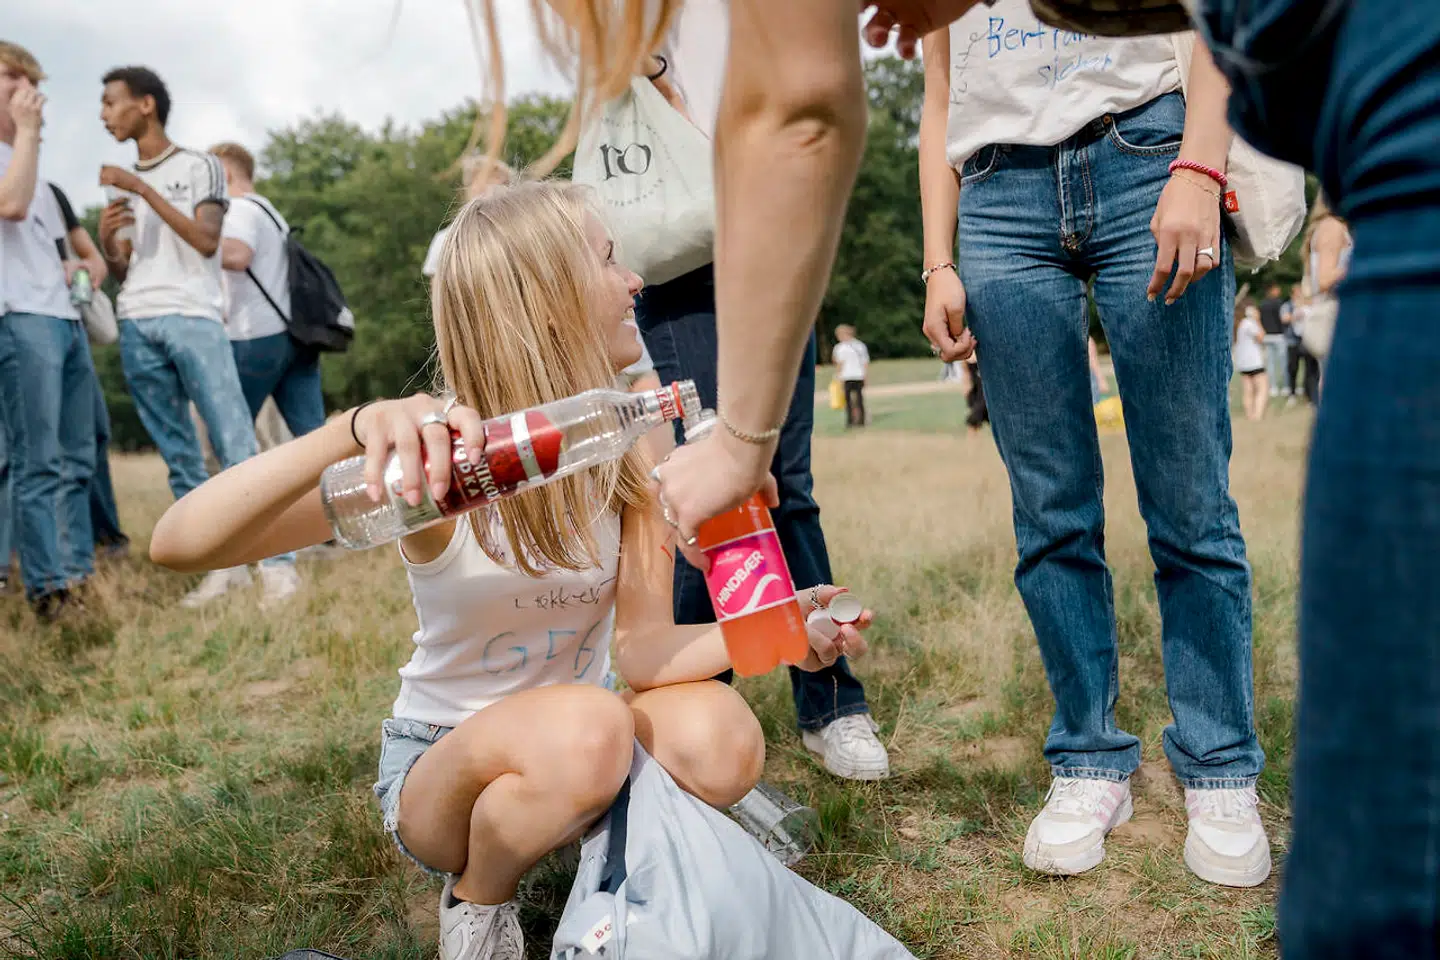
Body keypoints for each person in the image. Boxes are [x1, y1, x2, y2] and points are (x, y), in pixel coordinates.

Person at [148, 181, 875, 960]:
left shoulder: (629, 445)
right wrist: (345, 431)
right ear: (546, 299)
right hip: (446, 774)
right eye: (608, 260)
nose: (635, 281)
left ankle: (604, 851)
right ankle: (478, 898)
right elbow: (180, 542)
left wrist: (777, 624)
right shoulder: (450, 460)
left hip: (582, 745)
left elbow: (643, 650)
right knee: (589, 723)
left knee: (722, 736)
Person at [912, 6, 1267, 887]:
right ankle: (1089, 758)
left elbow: (1217, 21)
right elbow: (939, 96)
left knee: (1190, 499)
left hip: (1146, 154)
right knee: (1049, 510)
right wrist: (935, 260)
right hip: (997, 193)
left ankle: (1220, 763)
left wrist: (1198, 163)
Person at [626, 18, 890, 781]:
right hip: (686, 250)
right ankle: (690, 709)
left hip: (770, 227)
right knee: (705, 499)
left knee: (786, 480)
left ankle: (830, 703)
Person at [96, 66, 295, 608]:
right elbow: (126, 271)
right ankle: (221, 564)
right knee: (181, 459)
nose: (102, 113)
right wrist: (109, 241)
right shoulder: (123, 183)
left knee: (236, 444)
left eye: (111, 102)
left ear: (146, 105)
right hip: (138, 320)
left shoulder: (199, 166)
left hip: (194, 317)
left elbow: (207, 242)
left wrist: (141, 188)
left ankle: (278, 563)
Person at [0, 43, 104, 620]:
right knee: (36, 460)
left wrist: (80, 268)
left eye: (27, 78)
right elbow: (9, 206)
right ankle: (47, 591)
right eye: (8, 77)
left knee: (77, 456)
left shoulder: (35, 168)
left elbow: (66, 246)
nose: (21, 87)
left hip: (63, 320)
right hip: (19, 318)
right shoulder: (19, 161)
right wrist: (29, 131)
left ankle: (77, 570)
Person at [421, 154, 513, 280]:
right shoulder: (446, 240)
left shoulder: (520, 234)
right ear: (469, 189)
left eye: (502, 185)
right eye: (483, 184)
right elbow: (438, 294)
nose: (491, 192)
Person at [1283, 286, 1318, 407]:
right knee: (1292, 369)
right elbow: (1284, 318)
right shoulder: (1287, 306)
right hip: (1293, 342)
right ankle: (1291, 394)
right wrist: (1296, 314)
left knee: (1310, 370)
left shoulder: (1309, 305)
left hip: (1307, 341)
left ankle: (1309, 396)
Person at [1256, 283, 1291, 399]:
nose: (1279, 291)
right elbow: (1283, 319)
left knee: (1270, 364)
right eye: (1277, 289)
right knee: (1283, 363)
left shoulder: (1262, 304)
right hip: (1279, 336)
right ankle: (1286, 387)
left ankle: (1273, 388)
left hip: (1267, 337)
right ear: (1272, 291)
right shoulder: (1279, 303)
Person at [1233, 302, 1267, 421]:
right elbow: (1261, 337)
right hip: (1254, 361)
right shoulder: (1249, 323)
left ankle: (1249, 415)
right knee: (1262, 388)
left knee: (1248, 390)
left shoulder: (1238, 324)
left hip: (1242, 362)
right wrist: (1257, 320)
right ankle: (1257, 415)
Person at [832, 324, 869, 428]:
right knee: (859, 399)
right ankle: (861, 421)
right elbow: (865, 363)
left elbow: (839, 364)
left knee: (848, 400)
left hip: (846, 376)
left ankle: (850, 421)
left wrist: (838, 377)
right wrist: (865, 376)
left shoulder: (840, 348)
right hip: (859, 375)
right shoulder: (860, 345)